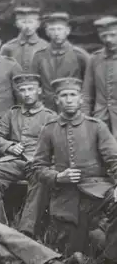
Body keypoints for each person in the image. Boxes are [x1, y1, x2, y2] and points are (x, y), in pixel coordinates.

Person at [31, 77, 117, 256]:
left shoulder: (97, 127)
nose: (69, 99)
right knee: (72, 248)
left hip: (98, 191)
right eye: (64, 95)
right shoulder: (49, 129)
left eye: (73, 95)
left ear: (80, 99)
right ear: (56, 100)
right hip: (66, 197)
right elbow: (38, 166)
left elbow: (114, 159)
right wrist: (58, 177)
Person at [0, 74, 55, 237]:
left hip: (38, 164)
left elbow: (57, 144)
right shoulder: (12, 114)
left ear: (39, 91)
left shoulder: (50, 116)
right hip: (13, 161)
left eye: (31, 89)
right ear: (17, 93)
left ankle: (26, 231)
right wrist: (9, 146)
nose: (27, 93)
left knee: (41, 178)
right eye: (22, 90)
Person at [31, 13, 89, 111]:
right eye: (52, 29)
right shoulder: (39, 56)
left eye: (59, 29)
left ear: (67, 31)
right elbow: (34, 84)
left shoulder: (80, 55)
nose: (56, 33)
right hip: (47, 108)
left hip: (72, 108)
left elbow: (88, 87)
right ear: (47, 32)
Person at [82, 16, 117, 138]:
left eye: (113, 35)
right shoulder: (95, 59)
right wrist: (84, 119)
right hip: (100, 119)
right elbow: (87, 93)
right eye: (104, 36)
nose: (108, 39)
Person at [1, 0, 49, 72]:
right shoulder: (8, 48)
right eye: (23, 22)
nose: (27, 26)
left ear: (38, 24)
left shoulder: (45, 47)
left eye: (30, 22)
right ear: (17, 24)